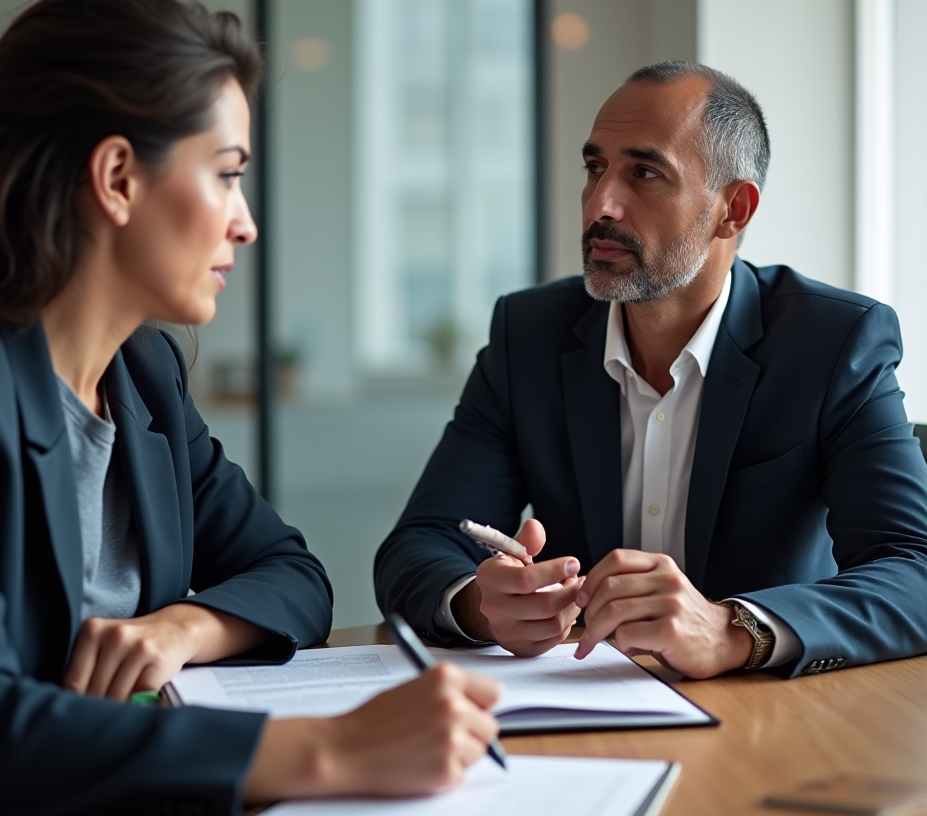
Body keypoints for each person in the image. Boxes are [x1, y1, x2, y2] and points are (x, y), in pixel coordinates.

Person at [0, 0, 501, 816]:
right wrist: (331, 750)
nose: (245, 223)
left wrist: (183, 627)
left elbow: (294, 575)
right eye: (225, 174)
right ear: (117, 179)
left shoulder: (143, 376)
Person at [375, 60, 927, 679]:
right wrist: (481, 604)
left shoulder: (833, 343)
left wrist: (732, 629)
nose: (600, 204)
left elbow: (915, 568)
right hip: (580, 698)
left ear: (734, 209)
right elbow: (420, 543)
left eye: (644, 173)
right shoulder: (527, 335)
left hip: (769, 709)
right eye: (595, 168)